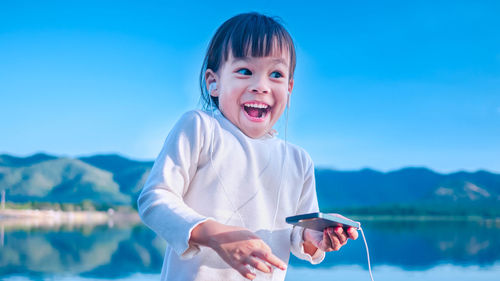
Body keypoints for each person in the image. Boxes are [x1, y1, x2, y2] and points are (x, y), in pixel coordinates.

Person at [137, 12, 358, 281]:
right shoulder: (200, 127)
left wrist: (315, 236)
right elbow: (155, 200)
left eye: (275, 74)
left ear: (289, 89)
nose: (260, 86)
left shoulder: (298, 160)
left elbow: (296, 236)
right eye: (245, 71)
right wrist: (218, 236)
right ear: (213, 82)